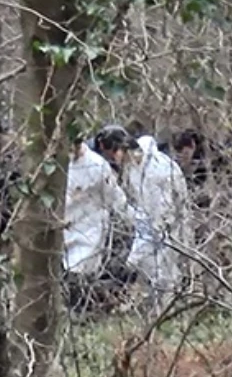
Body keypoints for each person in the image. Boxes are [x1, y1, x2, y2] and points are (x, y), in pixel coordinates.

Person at [63, 125, 138, 316]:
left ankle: (82, 316)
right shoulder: (61, 164)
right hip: (65, 227)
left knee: (79, 276)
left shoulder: (97, 166)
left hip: (89, 230)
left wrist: (136, 221)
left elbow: (115, 198)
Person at [124, 133, 191, 304]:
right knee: (137, 261)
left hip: (171, 225)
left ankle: (170, 303)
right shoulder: (134, 170)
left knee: (167, 268)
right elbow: (139, 198)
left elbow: (169, 202)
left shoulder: (162, 168)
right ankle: (154, 297)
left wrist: (163, 225)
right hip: (148, 223)